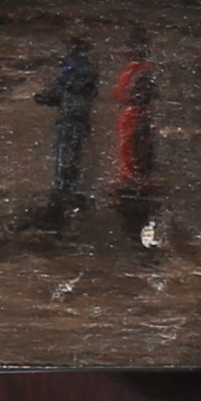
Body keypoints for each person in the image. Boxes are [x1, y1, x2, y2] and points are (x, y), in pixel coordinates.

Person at [33, 35, 98, 217]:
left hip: (72, 116)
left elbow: (66, 90)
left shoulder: (77, 67)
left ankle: (65, 192)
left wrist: (48, 96)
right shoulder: (79, 66)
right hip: (74, 115)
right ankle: (66, 189)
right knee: (69, 154)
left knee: (67, 154)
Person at [110, 28, 161, 245]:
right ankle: (131, 179)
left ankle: (134, 181)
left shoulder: (142, 71)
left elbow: (136, 94)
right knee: (128, 148)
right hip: (130, 114)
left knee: (134, 148)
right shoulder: (136, 70)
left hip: (135, 114)